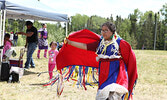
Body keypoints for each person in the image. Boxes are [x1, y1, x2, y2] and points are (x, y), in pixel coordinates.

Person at [65, 22, 137, 100]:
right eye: (102, 30)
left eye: (106, 30)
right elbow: (85, 46)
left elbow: (129, 59)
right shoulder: (100, 43)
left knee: (113, 94)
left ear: (112, 31)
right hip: (104, 74)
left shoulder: (120, 43)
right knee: (104, 95)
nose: (103, 32)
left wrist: (129, 74)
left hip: (116, 74)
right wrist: (70, 42)